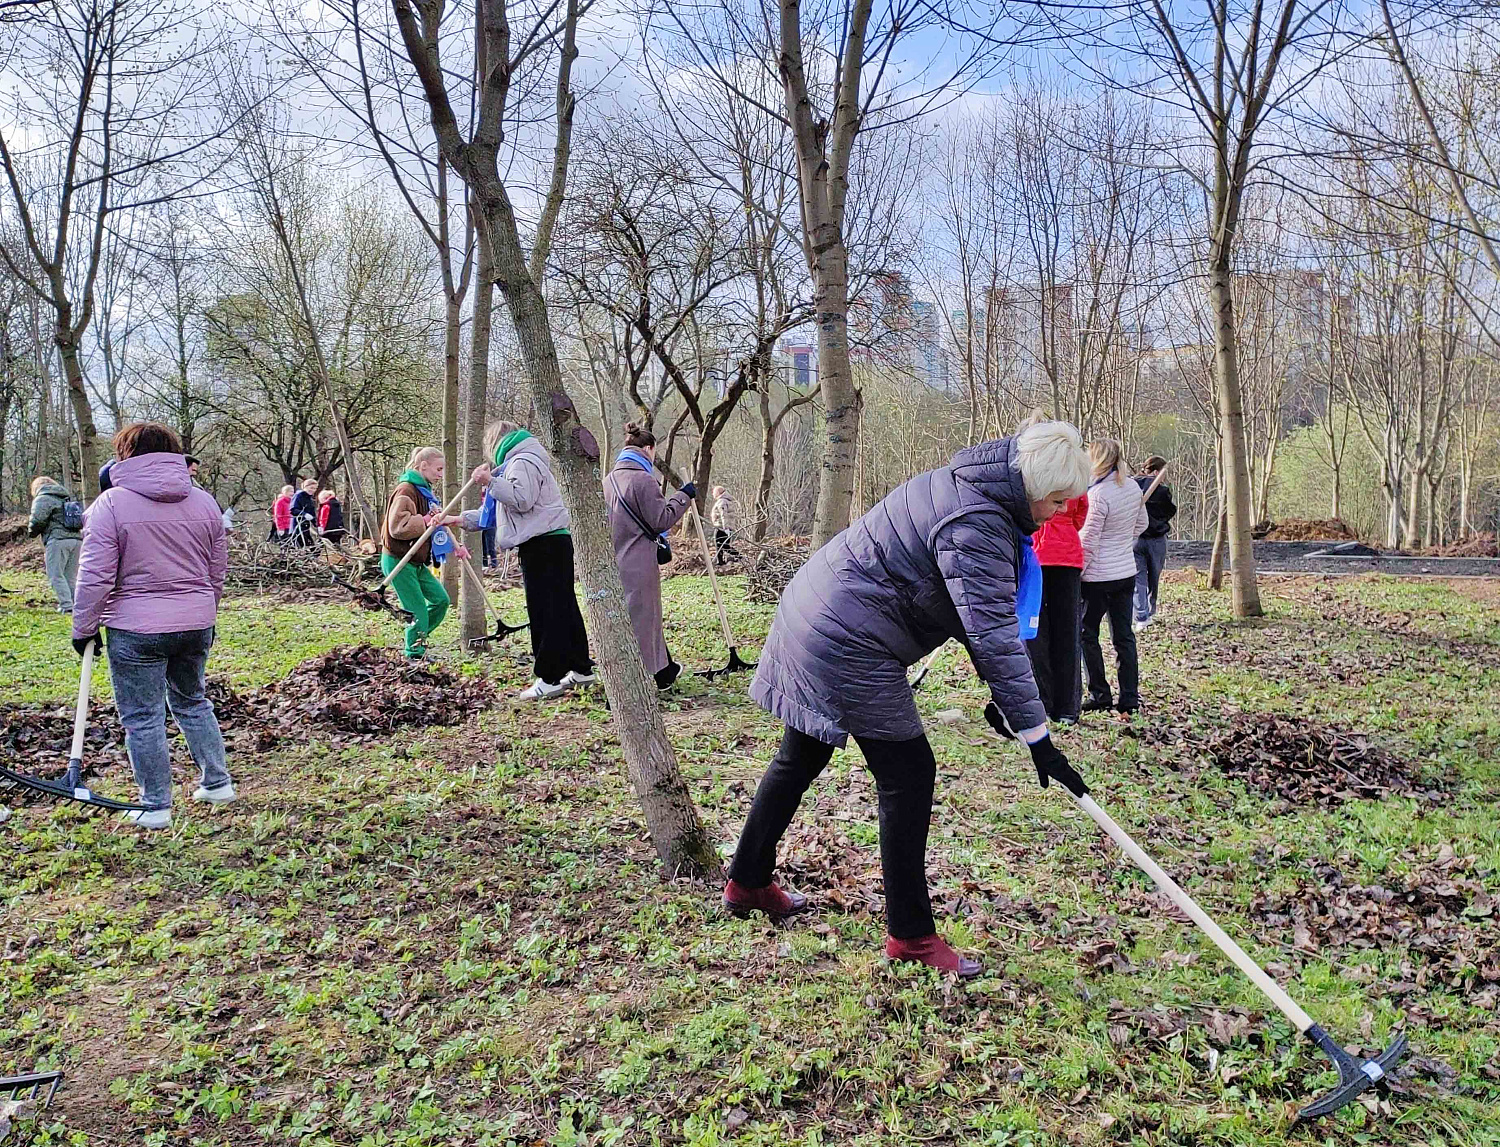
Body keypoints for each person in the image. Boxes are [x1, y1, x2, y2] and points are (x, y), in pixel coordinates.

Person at [725, 422, 1092, 976]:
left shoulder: (966, 483)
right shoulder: (979, 522)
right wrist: (1039, 737)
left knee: (801, 755)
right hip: (848, 634)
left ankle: (746, 880)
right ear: (1032, 485)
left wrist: (1011, 708)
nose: (1057, 514)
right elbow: (992, 635)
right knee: (909, 774)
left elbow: (978, 619)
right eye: (1057, 501)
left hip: (819, 605)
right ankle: (913, 938)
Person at [71, 422, 234, 830]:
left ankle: (155, 804)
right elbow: (217, 572)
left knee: (142, 716)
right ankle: (217, 782)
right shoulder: (204, 502)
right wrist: (205, 614)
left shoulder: (110, 505)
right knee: (193, 700)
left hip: (136, 629)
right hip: (196, 620)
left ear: (124, 455)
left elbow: (95, 575)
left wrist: (83, 627)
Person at [460, 421, 595, 700]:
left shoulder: (522, 461)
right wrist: (457, 519)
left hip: (543, 544)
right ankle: (581, 668)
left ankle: (549, 677)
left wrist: (490, 482)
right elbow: (498, 514)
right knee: (564, 606)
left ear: (497, 442)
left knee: (545, 611)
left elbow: (522, 500)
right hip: (550, 542)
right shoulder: (524, 460)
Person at [604, 423, 694, 689]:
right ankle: (635, 683)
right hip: (638, 562)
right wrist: (683, 496)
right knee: (643, 621)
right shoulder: (643, 479)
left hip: (615, 560)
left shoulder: (607, 481)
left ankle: (665, 671)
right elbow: (660, 519)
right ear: (648, 449)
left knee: (642, 618)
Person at [1079, 439, 1150, 717]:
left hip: (1097, 577)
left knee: (1087, 634)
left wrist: (1077, 573)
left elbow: (1088, 541)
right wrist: (1121, 540)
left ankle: (1099, 693)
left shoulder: (1097, 496)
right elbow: (1141, 524)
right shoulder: (1132, 487)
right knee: (1124, 637)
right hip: (1125, 573)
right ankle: (1130, 697)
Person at [381, 447, 466, 659]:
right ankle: (414, 654)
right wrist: (427, 519)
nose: (440, 474)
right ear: (423, 466)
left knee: (441, 600)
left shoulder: (424, 491)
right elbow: (397, 527)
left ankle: (417, 636)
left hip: (416, 561)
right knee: (417, 609)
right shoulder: (406, 490)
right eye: (438, 469)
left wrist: (456, 546)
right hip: (398, 559)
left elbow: (435, 525)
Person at [1028, 486, 1088, 726]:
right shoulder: (1075, 482)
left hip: (1039, 554)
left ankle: (1044, 701)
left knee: (1037, 633)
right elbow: (1080, 515)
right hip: (1064, 556)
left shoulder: (1038, 477)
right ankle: (1067, 706)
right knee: (1066, 634)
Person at [28, 475, 84, 613]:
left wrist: (31, 532)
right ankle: (76, 606)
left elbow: (38, 520)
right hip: (76, 540)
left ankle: (66, 606)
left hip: (57, 540)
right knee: (70, 577)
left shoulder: (43, 498)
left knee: (55, 575)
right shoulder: (65, 497)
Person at [1133, 456, 1176, 630]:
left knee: (1138, 577)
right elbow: (1170, 511)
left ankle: (1141, 614)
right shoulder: (1162, 491)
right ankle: (1148, 611)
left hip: (1136, 538)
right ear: (1158, 472)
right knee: (1153, 576)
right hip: (1156, 539)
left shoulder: (1132, 485)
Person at [710, 485, 742, 566]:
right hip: (724, 527)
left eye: (714, 492)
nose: (712, 494)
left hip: (721, 527)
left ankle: (722, 561)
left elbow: (723, 515)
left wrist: (726, 528)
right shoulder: (726, 500)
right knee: (723, 545)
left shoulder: (722, 501)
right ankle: (721, 560)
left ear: (718, 493)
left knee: (720, 544)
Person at [290, 478, 318, 548]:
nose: (313, 490)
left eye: (315, 488)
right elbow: (293, 509)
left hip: (306, 526)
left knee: (312, 548)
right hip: (297, 526)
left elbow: (312, 514)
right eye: (311, 488)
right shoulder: (298, 495)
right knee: (303, 547)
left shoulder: (310, 499)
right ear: (305, 486)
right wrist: (304, 514)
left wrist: (317, 524)